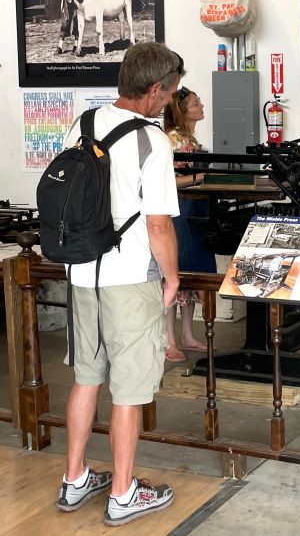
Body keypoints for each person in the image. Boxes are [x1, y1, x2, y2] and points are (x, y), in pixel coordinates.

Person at [56, 42, 182, 525]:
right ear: (153, 90)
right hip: (130, 279)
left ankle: (74, 479)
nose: (169, 102)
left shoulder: (82, 125)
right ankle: (125, 493)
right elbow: (158, 226)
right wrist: (172, 278)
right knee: (128, 388)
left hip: (81, 273)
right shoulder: (153, 142)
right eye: (168, 94)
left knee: (86, 377)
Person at [162, 85, 217, 363]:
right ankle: (170, 340)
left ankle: (186, 335)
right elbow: (168, 180)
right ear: (182, 110)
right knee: (176, 274)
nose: (201, 105)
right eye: (196, 103)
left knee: (192, 274)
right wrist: (200, 178)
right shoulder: (174, 140)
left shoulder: (189, 140)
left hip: (193, 211)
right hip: (180, 213)